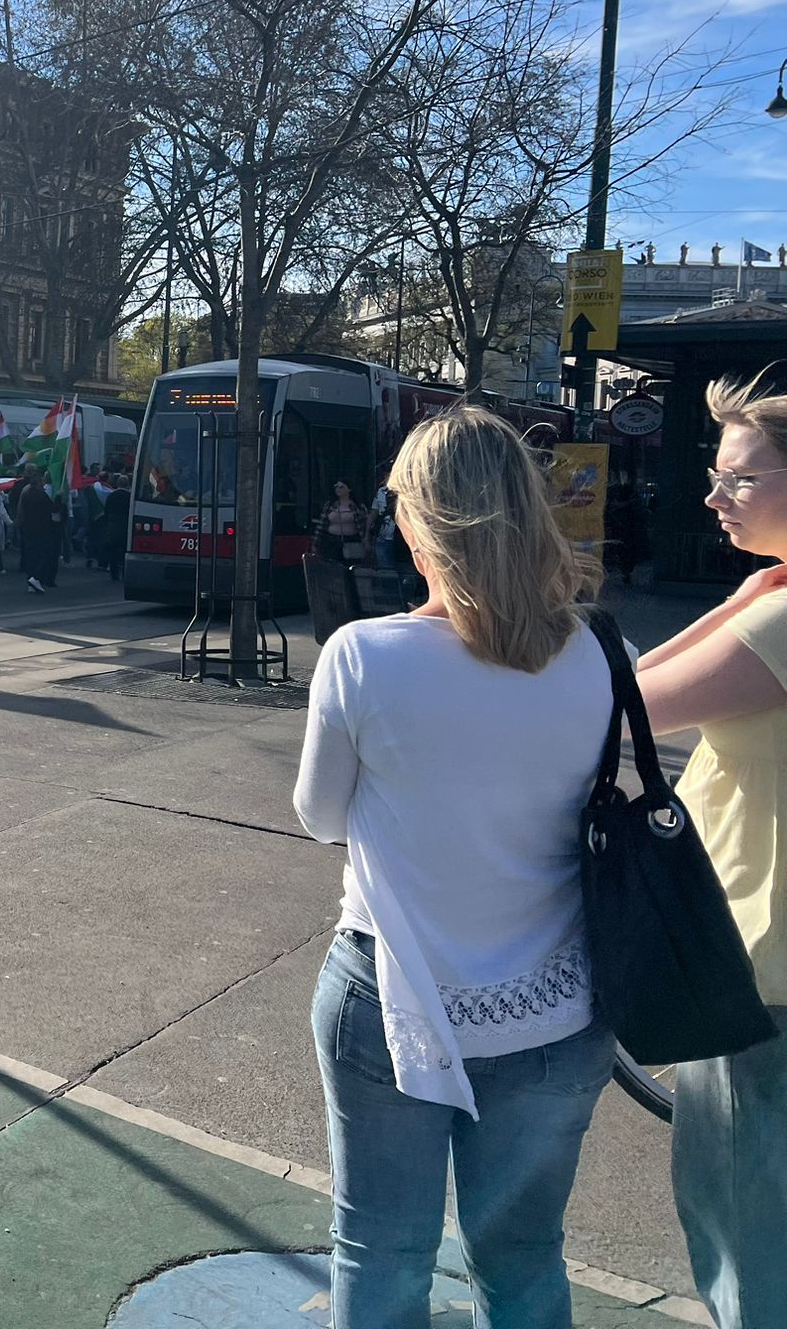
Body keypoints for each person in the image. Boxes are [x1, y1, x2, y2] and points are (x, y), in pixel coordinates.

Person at [293, 405, 615, 1329]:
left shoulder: (365, 655)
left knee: (381, 1249)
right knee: (521, 1257)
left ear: (413, 522)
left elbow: (320, 818)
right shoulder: (604, 653)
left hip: (390, 993)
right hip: (558, 1006)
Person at [635, 372, 787, 1328]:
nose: (711, 496)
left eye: (737, 479)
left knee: (742, 1214)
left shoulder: (779, 623)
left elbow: (625, 702)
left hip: (759, 960)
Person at [17, 471, 59, 595]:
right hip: (41, 528)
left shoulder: (26, 493)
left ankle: (31, 579)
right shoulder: (40, 495)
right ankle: (35, 578)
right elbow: (52, 508)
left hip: (28, 528)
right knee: (42, 554)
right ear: (38, 483)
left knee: (31, 554)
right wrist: (59, 498)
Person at [315, 479, 368, 563]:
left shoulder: (358, 506)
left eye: (341, 487)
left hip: (351, 540)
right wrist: (316, 542)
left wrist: (365, 541)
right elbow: (322, 524)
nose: (338, 489)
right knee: (331, 565)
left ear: (349, 489)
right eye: (336, 487)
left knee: (350, 566)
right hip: (331, 540)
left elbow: (363, 526)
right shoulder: (330, 505)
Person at [100, 475, 131, 582]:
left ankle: (114, 574)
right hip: (126, 526)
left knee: (112, 551)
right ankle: (124, 573)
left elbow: (106, 511)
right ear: (127, 484)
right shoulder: (129, 497)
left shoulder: (111, 496)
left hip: (113, 526)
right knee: (124, 551)